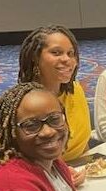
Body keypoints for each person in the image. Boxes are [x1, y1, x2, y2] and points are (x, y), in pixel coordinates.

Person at [18, 26, 91, 163]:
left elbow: (83, 143)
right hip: (45, 176)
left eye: (71, 53)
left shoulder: (75, 90)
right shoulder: (25, 103)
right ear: (35, 57)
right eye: (56, 53)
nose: (66, 59)